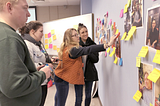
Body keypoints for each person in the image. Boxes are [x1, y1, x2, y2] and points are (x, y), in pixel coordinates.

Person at [0, 0, 52, 106]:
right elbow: (13, 86)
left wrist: (30, 71)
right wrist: (42, 74)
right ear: (9, 7)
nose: (28, 14)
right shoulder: (9, 38)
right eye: (25, 8)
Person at [54, 28, 117, 106]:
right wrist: (108, 44)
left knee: (58, 99)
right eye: (75, 35)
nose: (78, 36)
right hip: (61, 79)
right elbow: (88, 49)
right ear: (69, 38)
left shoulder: (68, 47)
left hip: (60, 77)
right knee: (60, 102)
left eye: (77, 34)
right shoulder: (73, 49)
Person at [19, 21, 54, 106]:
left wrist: (50, 60)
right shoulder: (27, 44)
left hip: (44, 80)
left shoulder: (38, 44)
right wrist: (45, 66)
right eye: (41, 31)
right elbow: (27, 65)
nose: (42, 34)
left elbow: (43, 57)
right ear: (32, 31)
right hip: (36, 82)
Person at [77, 23, 99, 106]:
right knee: (79, 97)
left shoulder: (93, 45)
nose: (85, 34)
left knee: (88, 96)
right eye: (82, 32)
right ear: (79, 34)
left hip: (89, 73)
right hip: (78, 73)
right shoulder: (76, 45)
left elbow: (96, 59)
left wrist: (87, 50)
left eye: (86, 31)